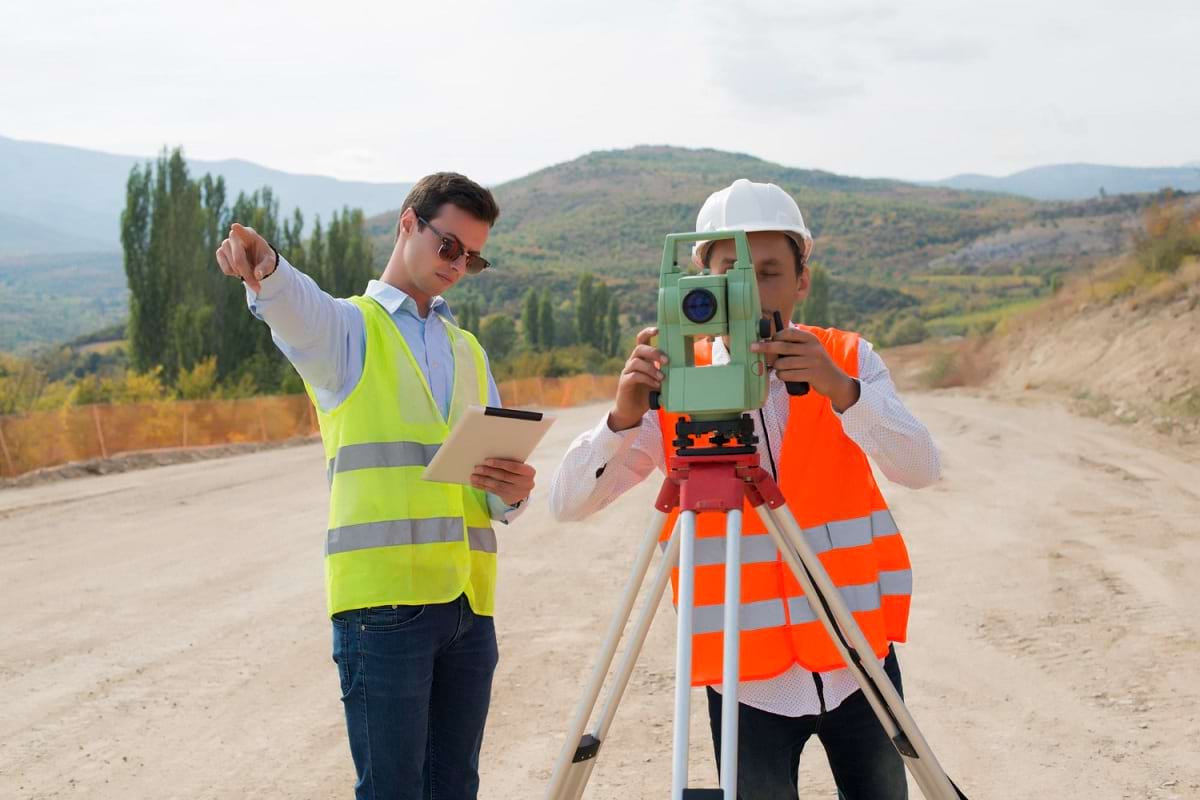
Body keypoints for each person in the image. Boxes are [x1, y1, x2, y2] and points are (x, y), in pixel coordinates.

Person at [548, 179, 941, 800]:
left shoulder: (847, 359)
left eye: (769, 271)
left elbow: (921, 466)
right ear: (700, 278)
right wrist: (621, 420)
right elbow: (566, 504)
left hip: (858, 662)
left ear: (802, 280)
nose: (751, 290)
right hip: (746, 679)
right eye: (732, 270)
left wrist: (844, 393)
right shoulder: (675, 381)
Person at [216, 172, 535, 800]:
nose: (458, 266)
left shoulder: (469, 350)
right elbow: (295, 307)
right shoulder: (347, 332)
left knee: (456, 788)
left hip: (469, 608)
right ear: (408, 223)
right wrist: (266, 267)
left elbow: (496, 495)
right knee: (392, 790)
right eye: (449, 247)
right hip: (384, 611)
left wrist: (514, 488)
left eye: (472, 258)